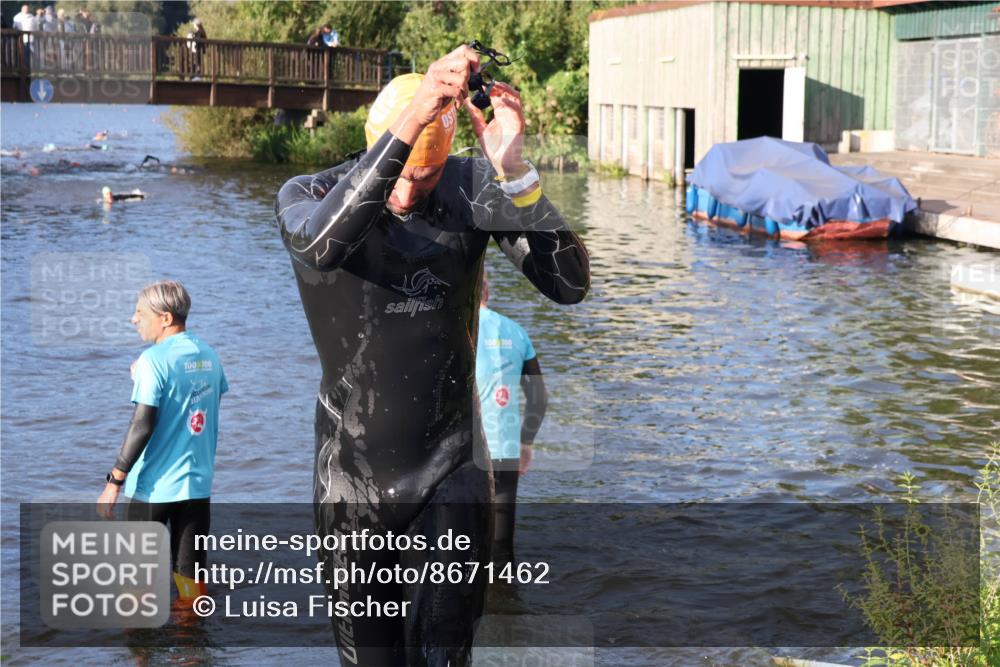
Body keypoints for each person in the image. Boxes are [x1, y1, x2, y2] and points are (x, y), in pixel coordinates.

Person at [275, 45, 589, 666]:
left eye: (424, 176)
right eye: (400, 176)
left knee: (445, 658)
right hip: (353, 479)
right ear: (380, 141)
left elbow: (570, 285)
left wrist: (515, 173)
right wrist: (412, 120)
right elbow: (318, 250)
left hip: (451, 469)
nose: (408, 193)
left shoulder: (469, 188)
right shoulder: (310, 193)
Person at [96, 281, 228, 602]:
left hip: (153, 490)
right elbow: (191, 403)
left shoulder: (153, 360)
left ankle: (138, 650)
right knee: (190, 577)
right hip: (196, 487)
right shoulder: (209, 355)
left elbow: (142, 425)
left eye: (140, 313)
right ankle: (192, 647)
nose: (134, 319)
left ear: (165, 318)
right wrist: (142, 379)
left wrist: (114, 481)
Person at [475, 276, 547, 565]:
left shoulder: (455, 328)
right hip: (505, 449)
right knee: (501, 543)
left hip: (461, 453)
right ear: (488, 291)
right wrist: (526, 443)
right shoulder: (517, 332)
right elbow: (538, 398)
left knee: (456, 541)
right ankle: (507, 597)